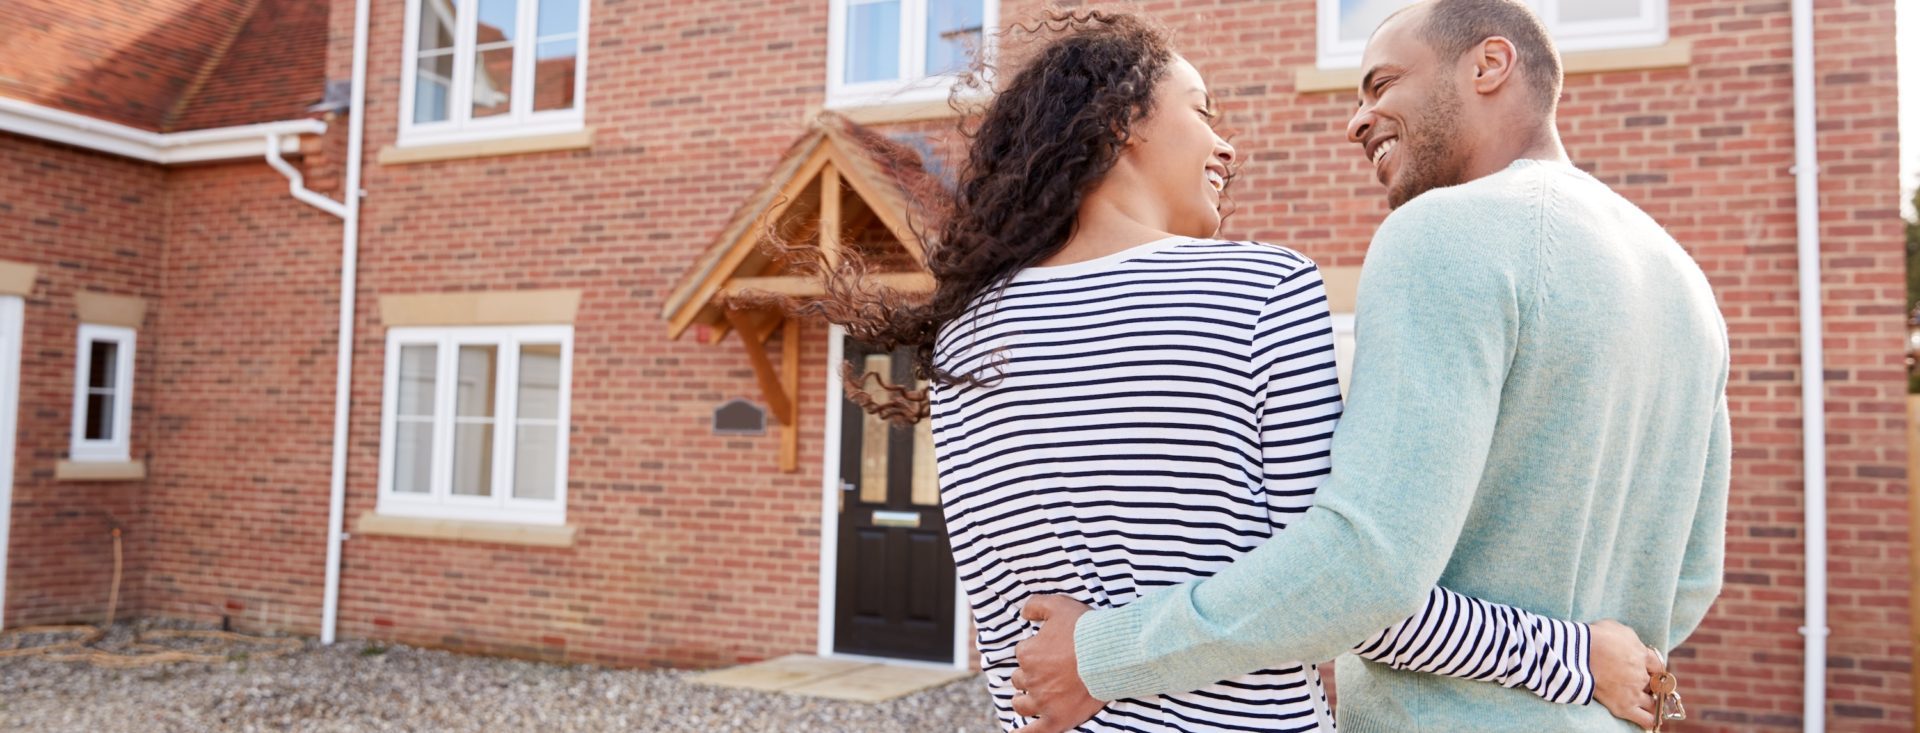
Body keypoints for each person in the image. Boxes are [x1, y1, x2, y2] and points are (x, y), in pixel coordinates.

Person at [771, 7, 1672, 732]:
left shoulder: (966, 336)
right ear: (1122, 121)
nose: (1227, 146)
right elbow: (1351, 589)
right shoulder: (1257, 288)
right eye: (1203, 111)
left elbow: (1007, 623)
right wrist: (1573, 654)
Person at [1006, 1, 1730, 732]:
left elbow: (1363, 569)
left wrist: (1104, 652)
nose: (1356, 121)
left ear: (1489, 65)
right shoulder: (1686, 285)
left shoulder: (1441, 232)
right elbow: (1692, 579)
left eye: (1381, 85)